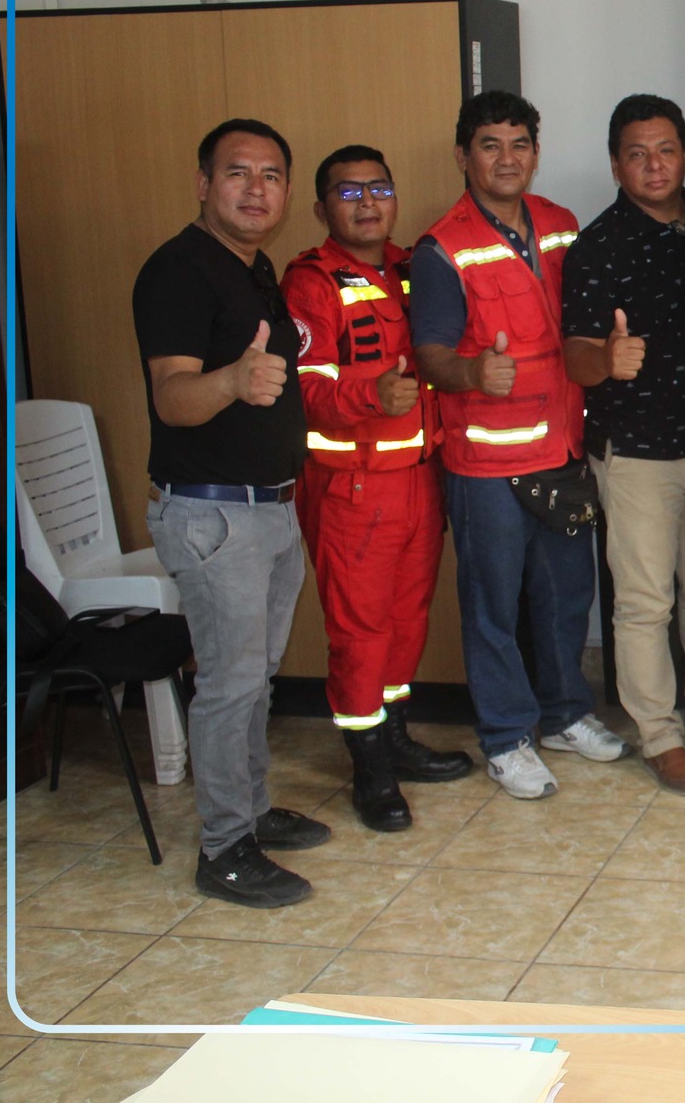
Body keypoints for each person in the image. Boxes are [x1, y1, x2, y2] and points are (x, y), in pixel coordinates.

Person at [133, 118, 330, 908]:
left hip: (269, 510)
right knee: (228, 684)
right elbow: (174, 397)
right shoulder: (178, 270)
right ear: (203, 183)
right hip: (214, 515)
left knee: (255, 680)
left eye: (272, 174)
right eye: (238, 172)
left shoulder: (252, 270)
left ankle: (248, 810)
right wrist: (232, 380)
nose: (257, 189)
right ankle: (224, 847)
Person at [412, 90, 625, 801]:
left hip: (562, 450)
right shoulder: (442, 247)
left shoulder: (562, 225)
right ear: (463, 155)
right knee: (493, 605)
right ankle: (506, 736)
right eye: (491, 145)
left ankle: (565, 713)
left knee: (567, 596)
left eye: (519, 144)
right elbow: (430, 353)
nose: (507, 158)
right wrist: (471, 370)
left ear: (536, 151)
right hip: (486, 464)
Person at [561, 95, 685, 797]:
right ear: (617, 162)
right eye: (637, 153)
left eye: (666, 149)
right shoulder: (597, 246)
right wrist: (606, 359)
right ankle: (661, 735)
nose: (653, 165)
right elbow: (574, 353)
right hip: (637, 448)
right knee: (645, 601)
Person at [282, 144, 473, 833]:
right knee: (359, 634)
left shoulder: (410, 267)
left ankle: (392, 735)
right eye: (349, 191)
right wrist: (372, 393)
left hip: (421, 480)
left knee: (405, 622)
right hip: (352, 491)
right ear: (322, 207)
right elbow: (304, 389)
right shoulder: (310, 283)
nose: (367, 202)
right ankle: (369, 768)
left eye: (379, 188)